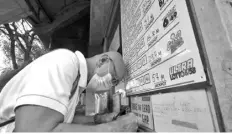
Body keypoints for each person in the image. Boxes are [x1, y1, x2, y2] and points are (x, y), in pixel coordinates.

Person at [0, 49, 138, 132]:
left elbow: (58, 120)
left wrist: (97, 119)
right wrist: (114, 129)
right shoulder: (64, 62)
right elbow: (31, 131)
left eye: (115, 83)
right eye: (113, 79)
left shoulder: (76, 83)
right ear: (102, 61)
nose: (111, 86)